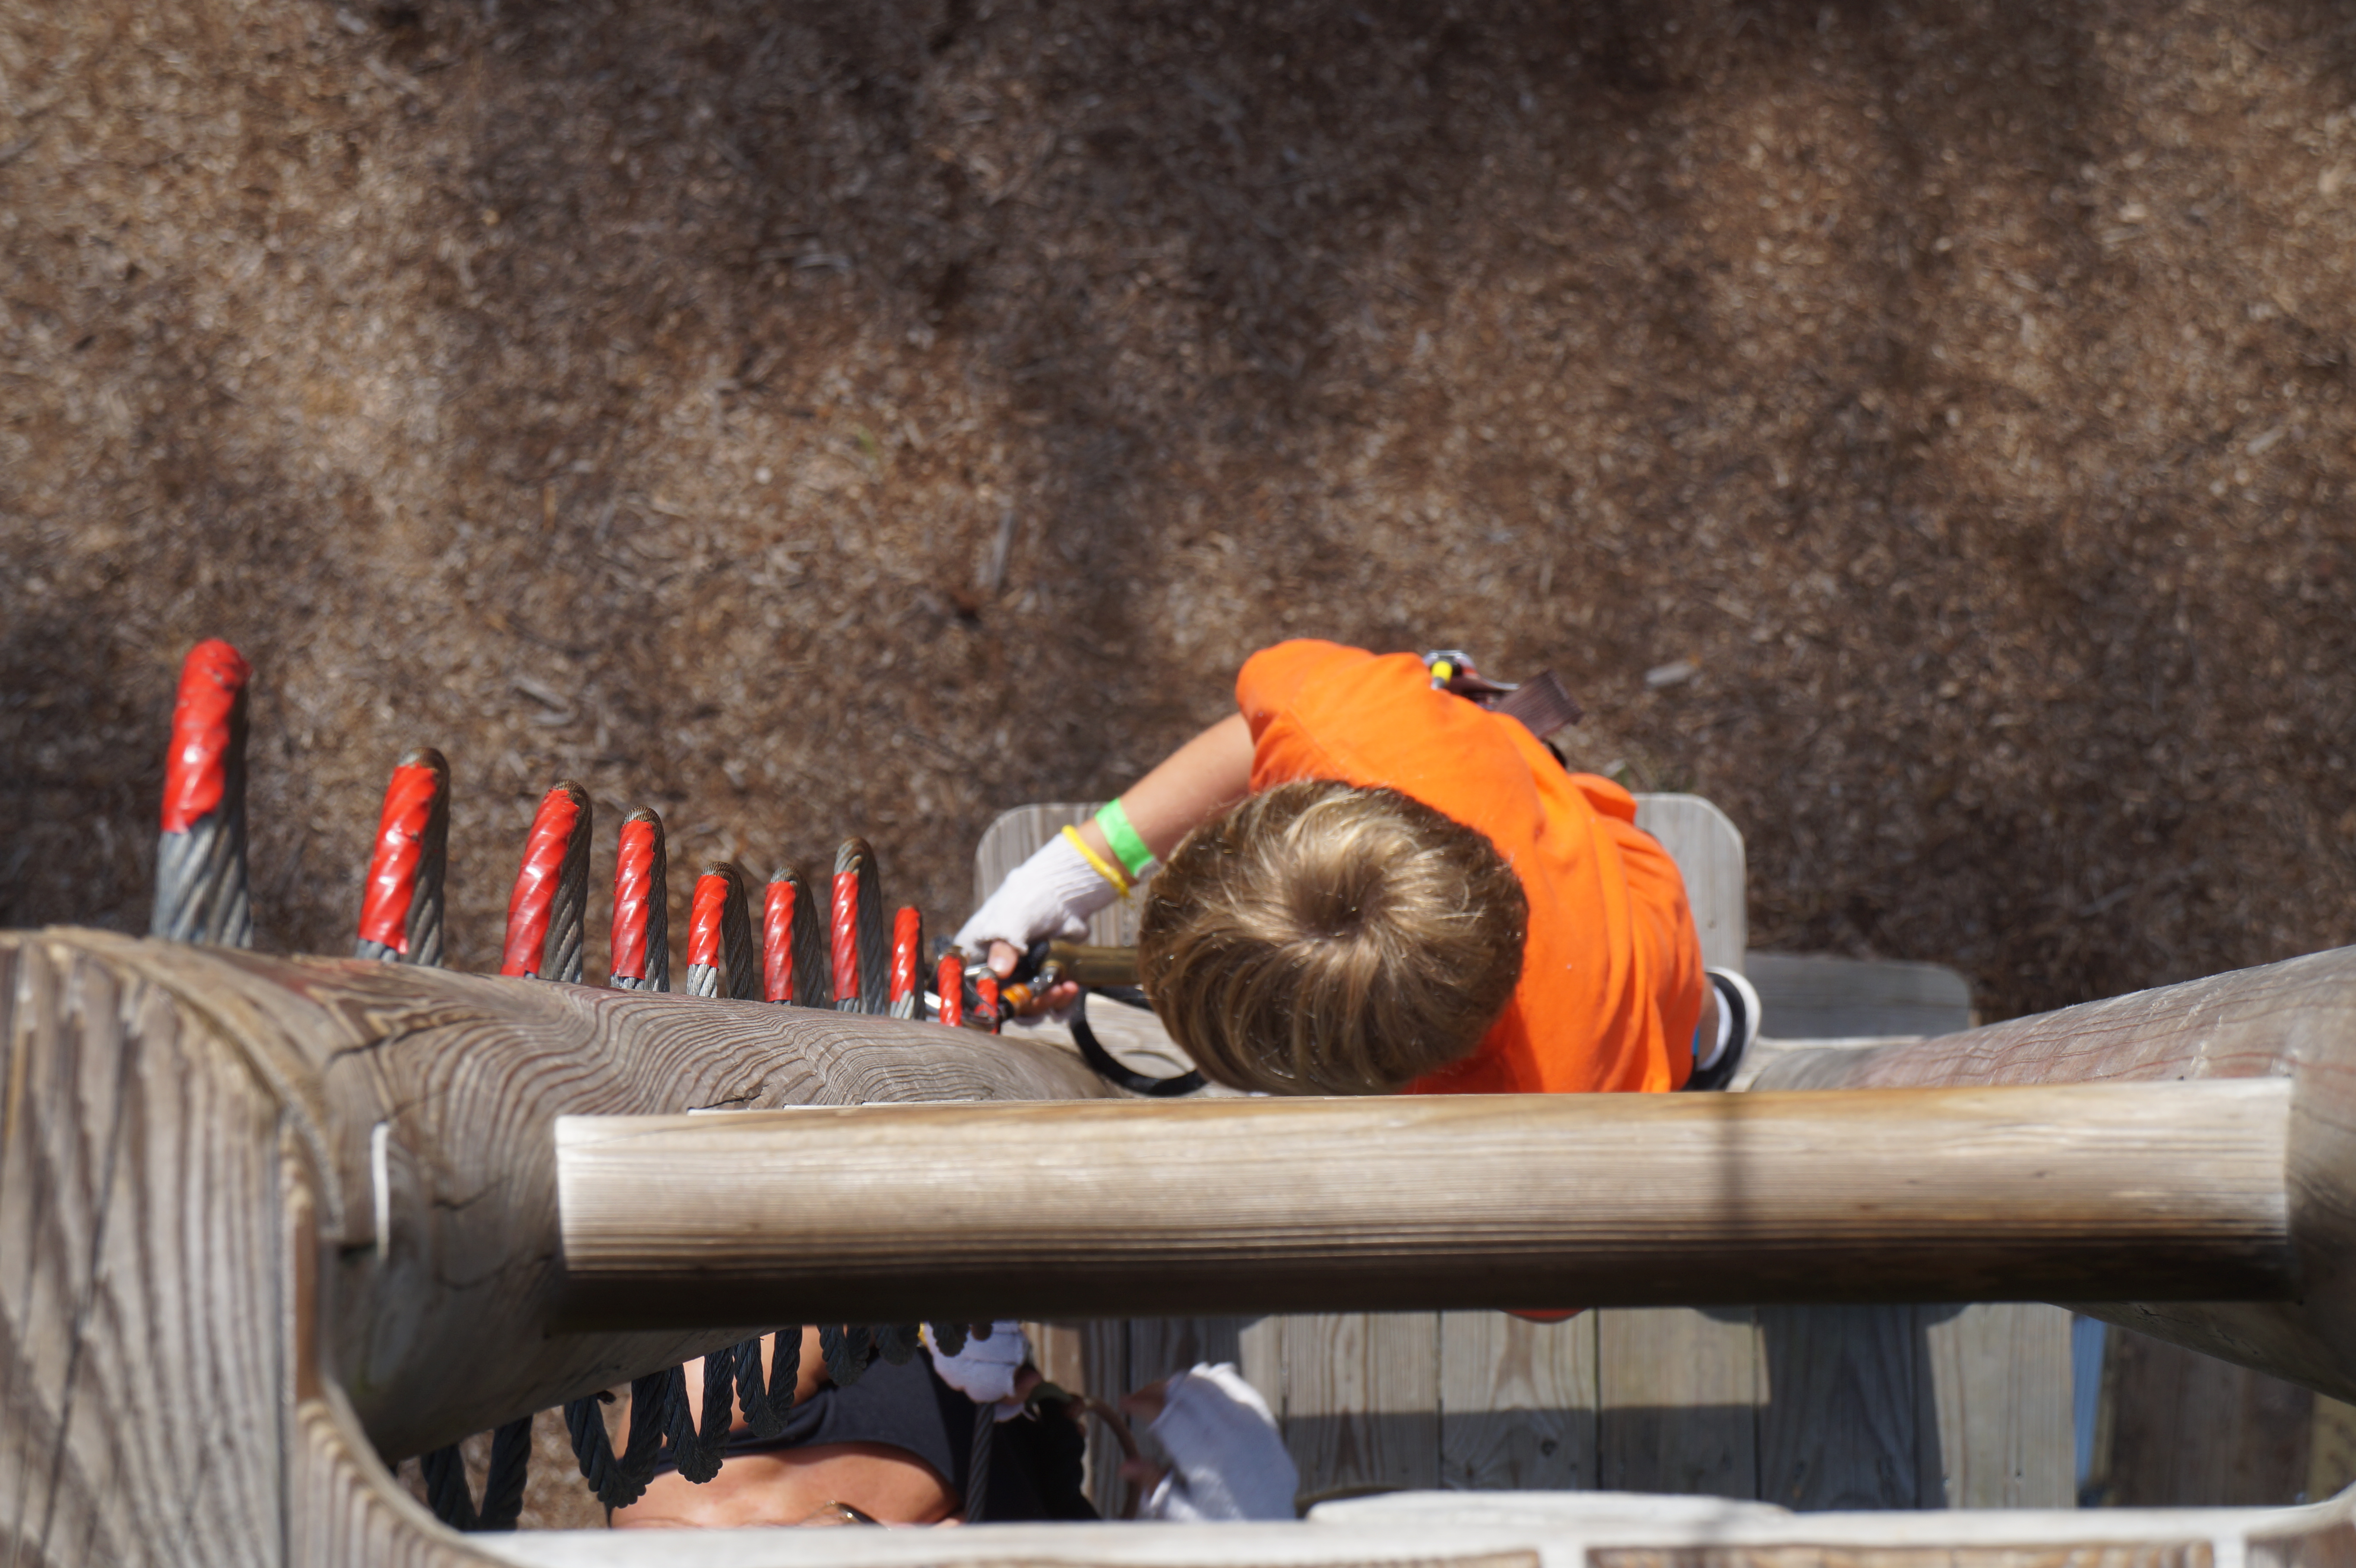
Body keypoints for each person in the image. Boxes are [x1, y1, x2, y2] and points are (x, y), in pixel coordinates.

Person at [955, 639, 1760, 1097]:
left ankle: (1708, 1037)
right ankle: (1715, 1026)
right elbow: (1262, 730)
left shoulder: (1551, 1101)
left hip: (1640, 1006)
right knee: (1679, 996)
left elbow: (1549, 1297)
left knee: (1682, 1026)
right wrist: (1071, 874)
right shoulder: (1348, 731)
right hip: (1597, 854)